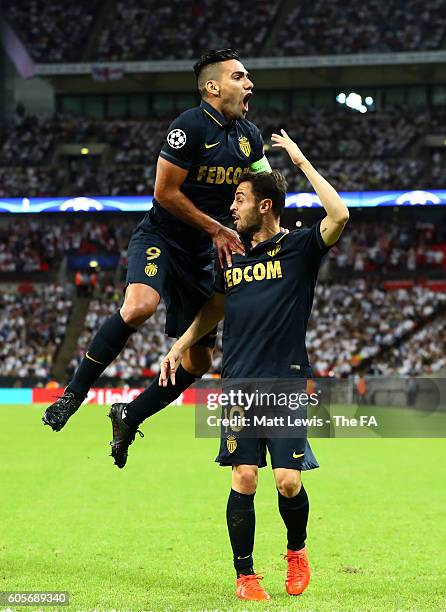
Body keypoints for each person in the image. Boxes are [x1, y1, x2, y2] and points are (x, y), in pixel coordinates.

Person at [42, 49, 271, 468]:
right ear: (213, 86)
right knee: (140, 305)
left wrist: (271, 229)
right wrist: (218, 228)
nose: (249, 84)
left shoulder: (249, 136)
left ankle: (129, 415)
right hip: (162, 238)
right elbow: (164, 193)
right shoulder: (188, 127)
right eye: (240, 77)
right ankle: (73, 395)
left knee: (199, 360)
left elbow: (267, 187)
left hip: (205, 253)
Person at [159, 130, 349, 601]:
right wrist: (179, 345)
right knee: (244, 477)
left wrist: (301, 161)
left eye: (240, 199)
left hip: (285, 380)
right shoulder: (232, 255)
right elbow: (215, 308)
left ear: (265, 206)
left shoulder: (301, 248)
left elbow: (340, 214)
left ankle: (296, 552)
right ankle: (245, 575)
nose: (232, 208)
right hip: (239, 381)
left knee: (287, 482)